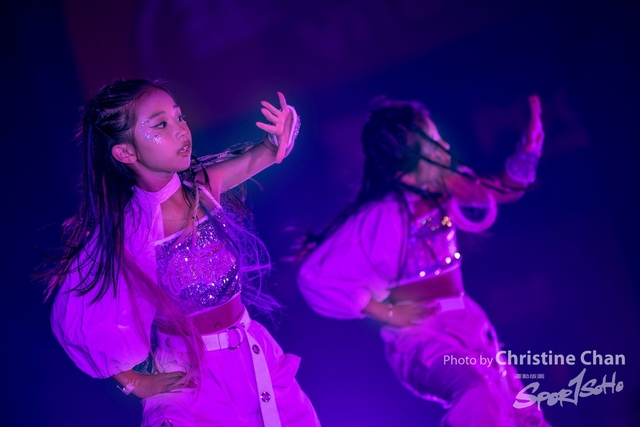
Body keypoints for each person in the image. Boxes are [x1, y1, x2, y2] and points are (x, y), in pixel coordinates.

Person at [45, 79, 320, 427]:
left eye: (179, 117)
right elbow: (79, 317)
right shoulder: (130, 230)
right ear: (126, 153)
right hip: (192, 380)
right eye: (161, 124)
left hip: (253, 358)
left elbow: (264, 153)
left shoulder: (203, 187)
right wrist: (132, 382)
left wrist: (280, 135)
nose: (180, 130)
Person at [297, 95, 550, 426]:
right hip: (421, 340)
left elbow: (500, 189)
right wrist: (385, 312)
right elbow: (316, 277)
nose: (445, 145)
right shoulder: (380, 216)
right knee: (477, 393)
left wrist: (528, 151)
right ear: (409, 162)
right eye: (434, 141)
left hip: (466, 325)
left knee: (521, 411)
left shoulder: (445, 187)